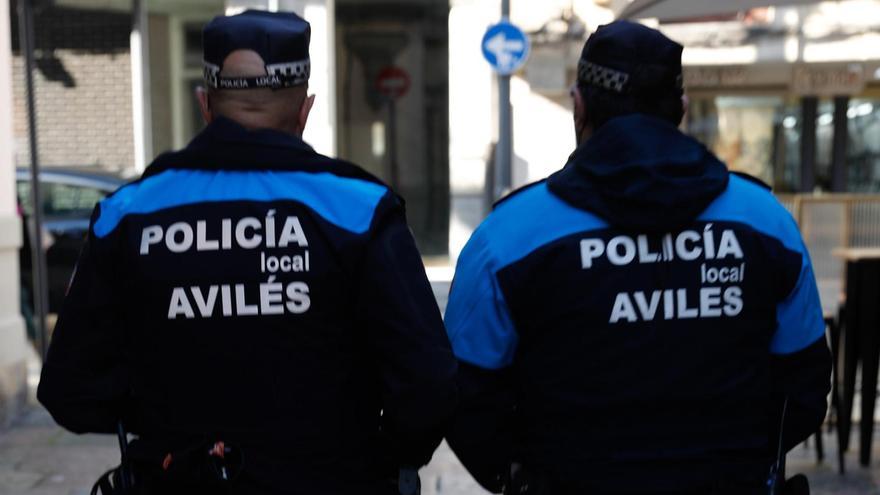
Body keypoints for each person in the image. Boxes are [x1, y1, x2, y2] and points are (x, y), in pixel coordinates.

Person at [38, 10, 457, 495]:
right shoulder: (360, 208)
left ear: (204, 105)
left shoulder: (127, 214)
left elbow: (70, 391)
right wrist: (374, 457)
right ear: (305, 109)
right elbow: (429, 385)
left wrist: (167, 424)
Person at [444, 21, 831, 495]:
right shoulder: (766, 223)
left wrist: (529, 474)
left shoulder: (506, 238)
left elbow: (460, 397)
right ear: (681, 109)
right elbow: (806, 388)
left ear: (579, 106)